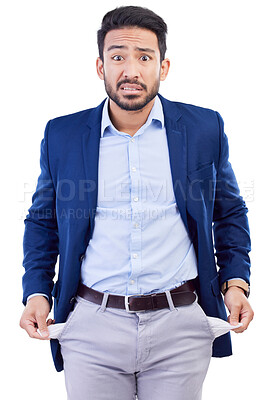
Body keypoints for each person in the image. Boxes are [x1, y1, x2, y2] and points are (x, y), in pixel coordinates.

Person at [19, 6, 254, 400]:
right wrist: (37, 292)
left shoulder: (202, 128)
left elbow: (228, 211)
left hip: (179, 325)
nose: (131, 70)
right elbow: (43, 220)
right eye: (118, 56)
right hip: (92, 324)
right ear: (100, 66)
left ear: (163, 67)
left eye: (144, 57)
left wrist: (236, 282)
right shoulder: (62, 134)